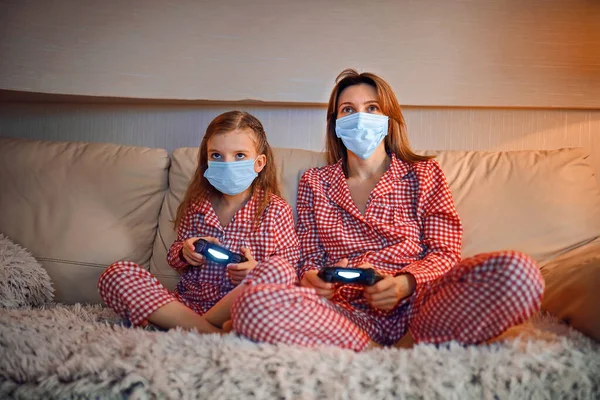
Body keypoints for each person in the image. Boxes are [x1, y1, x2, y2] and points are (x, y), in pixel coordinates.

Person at [230, 69, 545, 351]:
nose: (360, 117)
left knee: (520, 272)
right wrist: (313, 279)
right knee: (252, 304)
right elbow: (308, 260)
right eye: (348, 110)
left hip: (420, 307)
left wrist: (402, 284)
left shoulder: (424, 173)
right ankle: (376, 353)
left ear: (388, 118)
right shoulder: (315, 181)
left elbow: (445, 253)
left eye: (371, 108)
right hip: (345, 314)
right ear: (336, 124)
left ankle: (407, 343)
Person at [98, 111, 300, 332]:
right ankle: (211, 331)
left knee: (280, 270)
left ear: (259, 163)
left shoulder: (276, 209)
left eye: (239, 155)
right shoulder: (197, 205)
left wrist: (255, 270)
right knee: (117, 273)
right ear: (207, 160)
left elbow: (289, 270)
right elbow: (175, 256)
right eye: (217, 156)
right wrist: (185, 252)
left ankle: (192, 328)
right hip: (187, 305)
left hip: (240, 306)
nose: (227, 164)